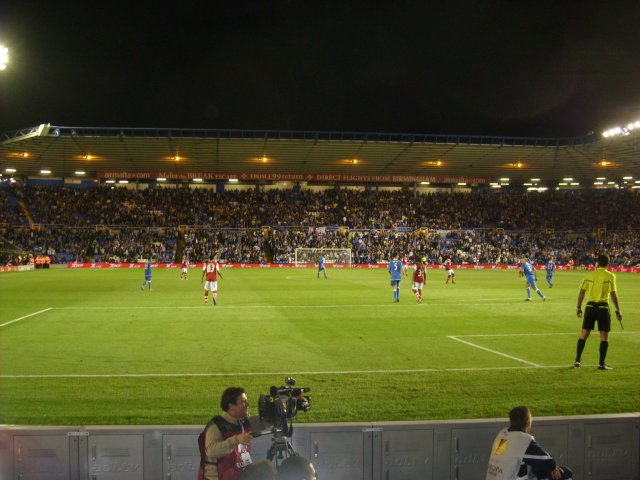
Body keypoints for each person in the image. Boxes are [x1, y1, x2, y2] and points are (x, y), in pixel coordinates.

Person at [199, 387, 271, 480]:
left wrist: (276, 412)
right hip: (220, 477)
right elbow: (211, 451)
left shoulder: (242, 421)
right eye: (243, 402)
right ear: (231, 406)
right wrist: (235, 440)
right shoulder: (216, 426)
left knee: (265, 467)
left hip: (239, 473)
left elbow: (264, 424)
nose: (247, 404)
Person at [486, 406, 573, 480]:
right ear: (528, 423)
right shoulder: (523, 440)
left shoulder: (502, 434)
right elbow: (549, 462)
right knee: (565, 473)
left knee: (537, 469)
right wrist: (553, 467)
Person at [574, 253, 622, 370]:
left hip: (590, 307)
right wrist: (618, 310)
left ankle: (577, 361)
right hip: (603, 308)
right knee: (604, 337)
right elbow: (613, 294)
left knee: (584, 334)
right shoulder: (610, 276)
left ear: (598, 262)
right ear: (608, 263)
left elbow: (582, 292)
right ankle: (601, 364)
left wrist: (578, 307)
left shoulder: (589, 275)